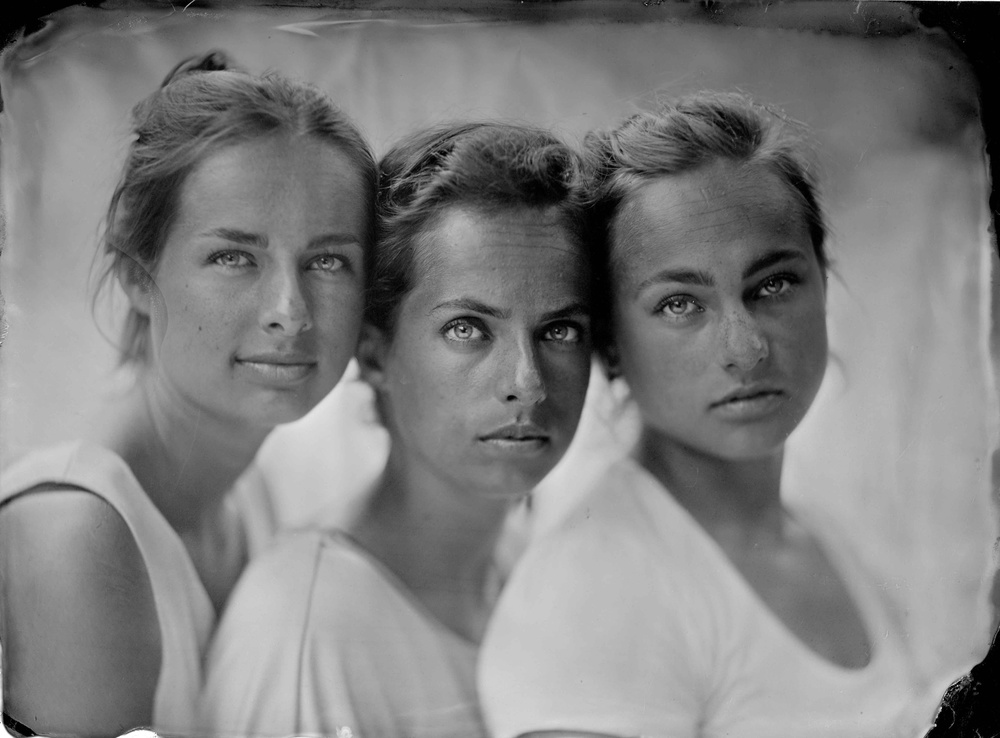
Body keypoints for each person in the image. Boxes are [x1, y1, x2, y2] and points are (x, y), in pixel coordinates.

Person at [477, 92, 943, 738]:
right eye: (679, 304)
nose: (746, 348)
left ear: (822, 280)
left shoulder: (827, 535)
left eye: (773, 284)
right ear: (610, 343)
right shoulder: (596, 594)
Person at [0, 51, 376, 738]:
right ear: (136, 273)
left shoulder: (255, 499)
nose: (290, 312)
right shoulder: (72, 538)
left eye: (328, 260)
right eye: (233, 257)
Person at [198, 121, 596, 738]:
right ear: (375, 354)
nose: (529, 383)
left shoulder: (536, 574)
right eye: (467, 328)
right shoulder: (308, 628)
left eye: (559, 331)